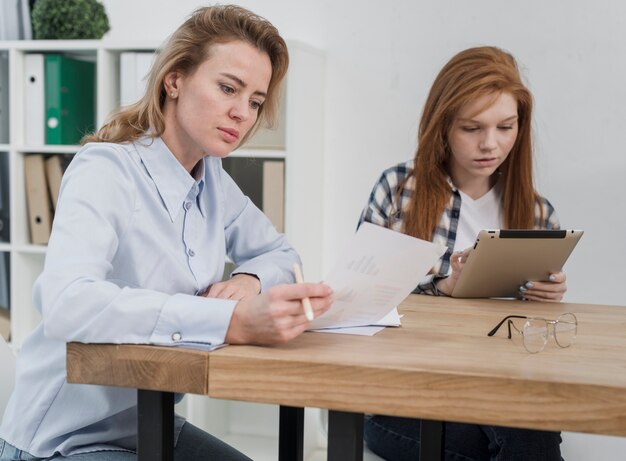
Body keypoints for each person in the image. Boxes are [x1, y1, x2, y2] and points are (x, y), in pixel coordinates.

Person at [0, 5, 332, 460]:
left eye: (255, 101)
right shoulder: (107, 170)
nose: (242, 113)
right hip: (59, 441)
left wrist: (248, 280)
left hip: (144, 423)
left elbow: (280, 252)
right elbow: (66, 302)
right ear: (174, 80)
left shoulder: (211, 178)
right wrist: (228, 320)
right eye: (227, 88)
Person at [359, 46, 565, 460]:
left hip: (498, 387)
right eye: (472, 128)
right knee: (526, 439)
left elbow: (534, 340)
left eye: (506, 127)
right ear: (443, 126)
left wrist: (548, 299)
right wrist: (444, 287)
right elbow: (360, 303)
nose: (491, 144)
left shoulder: (538, 213)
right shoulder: (399, 191)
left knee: (526, 431)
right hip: (403, 395)